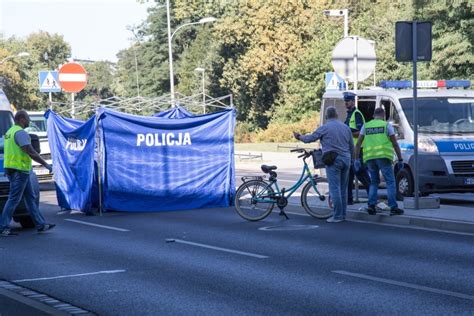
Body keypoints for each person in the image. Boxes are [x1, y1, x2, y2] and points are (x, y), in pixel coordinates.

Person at [0, 110, 55, 236]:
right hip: (19, 171)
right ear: (22, 119)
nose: (29, 121)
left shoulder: (9, 132)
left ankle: (41, 224)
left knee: (30, 198)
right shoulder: (20, 133)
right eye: (28, 118)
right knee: (14, 199)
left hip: (15, 170)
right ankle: (3, 227)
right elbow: (30, 152)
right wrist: (46, 164)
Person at [294, 107, 353, 223]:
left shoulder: (325, 128)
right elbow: (352, 145)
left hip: (333, 160)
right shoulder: (346, 128)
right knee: (343, 188)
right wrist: (353, 159)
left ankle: (337, 216)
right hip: (347, 159)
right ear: (337, 115)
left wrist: (299, 136)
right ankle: (343, 214)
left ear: (326, 117)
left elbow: (309, 139)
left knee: (334, 188)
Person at [354, 107, 404, 216]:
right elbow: (395, 143)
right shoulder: (386, 125)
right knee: (390, 182)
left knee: (374, 182)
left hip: (370, 158)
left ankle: (371, 206)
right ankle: (393, 207)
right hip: (383, 157)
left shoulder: (366, 126)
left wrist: (356, 159)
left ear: (373, 115)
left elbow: (358, 144)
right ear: (383, 116)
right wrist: (400, 159)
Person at [343, 91, 371, 204]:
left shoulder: (357, 114)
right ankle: (349, 199)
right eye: (345, 101)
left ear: (353, 102)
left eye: (348, 101)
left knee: (361, 174)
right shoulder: (349, 115)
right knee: (348, 176)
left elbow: (360, 132)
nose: (346, 103)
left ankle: (372, 198)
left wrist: (347, 131)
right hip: (350, 150)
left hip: (357, 150)